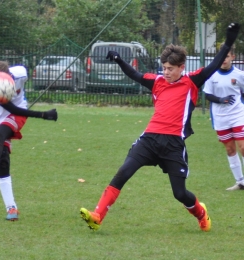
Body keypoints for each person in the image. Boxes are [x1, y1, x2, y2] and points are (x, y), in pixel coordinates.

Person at [80, 23, 240, 232]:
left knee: (180, 194)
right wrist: (119, 59)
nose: (165, 72)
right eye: (164, 68)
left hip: (173, 144)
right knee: (123, 173)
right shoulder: (156, 81)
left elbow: (213, 65)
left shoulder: (192, 81)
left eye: (170, 69)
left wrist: (228, 41)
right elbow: (135, 75)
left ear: (181, 67)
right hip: (149, 139)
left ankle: (201, 213)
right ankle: (97, 215)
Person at [0, 60, 58, 221]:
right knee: (2, 158)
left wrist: (44, 115)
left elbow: (16, 110)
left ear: (9, 75)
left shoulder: (21, 73)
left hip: (18, 115)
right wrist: (43, 115)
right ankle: (12, 209)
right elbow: (10, 107)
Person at [204, 43, 244, 191]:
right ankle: (240, 182)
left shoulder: (239, 75)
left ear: (232, 56)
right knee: (230, 149)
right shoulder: (211, 74)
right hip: (220, 117)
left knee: (243, 147)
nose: (224, 60)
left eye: (227, 56)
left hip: (238, 115)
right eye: (222, 56)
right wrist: (220, 100)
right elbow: (207, 94)